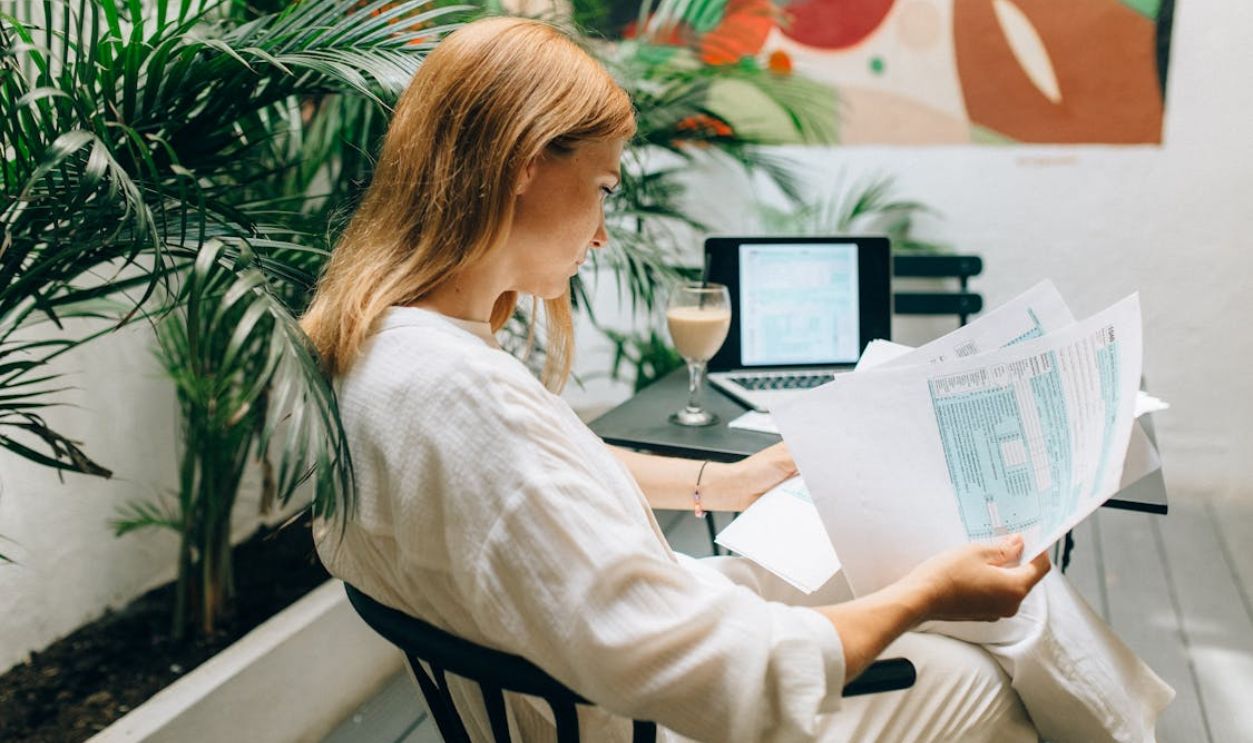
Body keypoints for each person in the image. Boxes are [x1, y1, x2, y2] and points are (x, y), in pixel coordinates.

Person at [300, 15, 1173, 742]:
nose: (603, 232)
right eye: (602, 186)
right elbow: (708, 664)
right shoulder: (460, 393)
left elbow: (532, 473)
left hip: (596, 647)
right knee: (984, 674)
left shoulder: (384, 349)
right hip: (653, 708)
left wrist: (730, 478)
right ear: (527, 160)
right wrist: (925, 596)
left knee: (1002, 587)